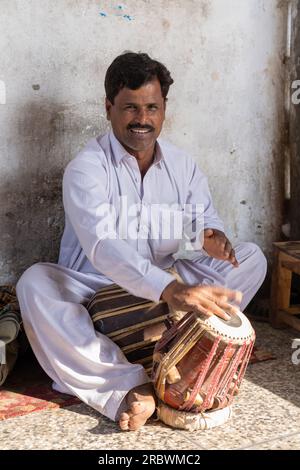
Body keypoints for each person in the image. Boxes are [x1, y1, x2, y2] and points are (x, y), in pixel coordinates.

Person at [16, 52, 267, 431]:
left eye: (152, 107)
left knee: (252, 257)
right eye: (130, 108)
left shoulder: (183, 165)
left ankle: (180, 352)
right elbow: (102, 246)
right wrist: (169, 289)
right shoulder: (87, 168)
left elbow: (202, 224)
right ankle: (129, 382)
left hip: (167, 287)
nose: (142, 119)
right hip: (97, 290)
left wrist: (211, 239)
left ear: (164, 107)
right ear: (108, 107)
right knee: (35, 283)